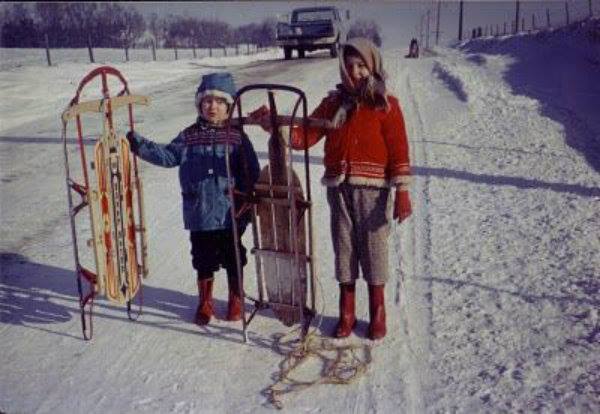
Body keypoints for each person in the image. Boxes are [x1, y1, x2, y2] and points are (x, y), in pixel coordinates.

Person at [250, 37, 412, 340]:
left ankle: (377, 310)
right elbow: (305, 136)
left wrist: (402, 190)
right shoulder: (333, 104)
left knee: (374, 249)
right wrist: (275, 125)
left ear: (373, 66)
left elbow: (399, 149)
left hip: (374, 191)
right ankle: (346, 311)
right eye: (349, 66)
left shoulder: (386, 105)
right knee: (344, 248)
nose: (355, 72)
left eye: (361, 66)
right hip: (338, 189)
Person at [126, 72, 260, 326]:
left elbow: (252, 171)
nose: (213, 107)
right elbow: (168, 156)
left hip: (230, 211)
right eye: (207, 101)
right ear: (199, 105)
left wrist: (248, 200)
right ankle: (205, 301)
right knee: (202, 257)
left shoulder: (237, 137)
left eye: (219, 102)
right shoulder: (189, 136)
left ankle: (236, 297)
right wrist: (139, 145)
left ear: (229, 106)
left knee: (233, 255)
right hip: (199, 211)